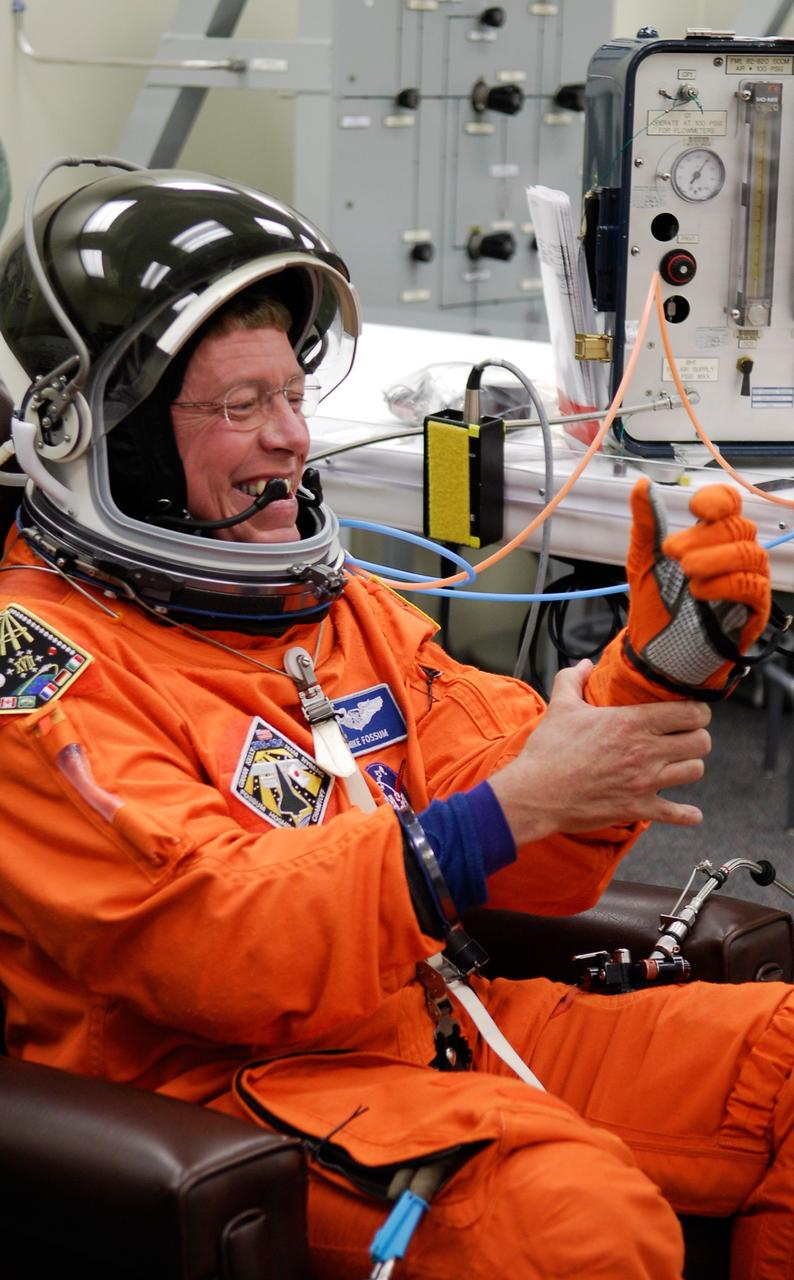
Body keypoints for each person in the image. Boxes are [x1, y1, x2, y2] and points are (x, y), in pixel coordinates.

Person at [0, 161, 791, 1280]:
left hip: (433, 1016)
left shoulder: (334, 608)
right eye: (239, 406)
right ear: (108, 437)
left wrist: (656, 676)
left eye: (290, 394)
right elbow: (211, 934)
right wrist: (502, 813)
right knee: (577, 1227)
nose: (289, 437)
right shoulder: (42, 676)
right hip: (228, 1088)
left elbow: (521, 832)